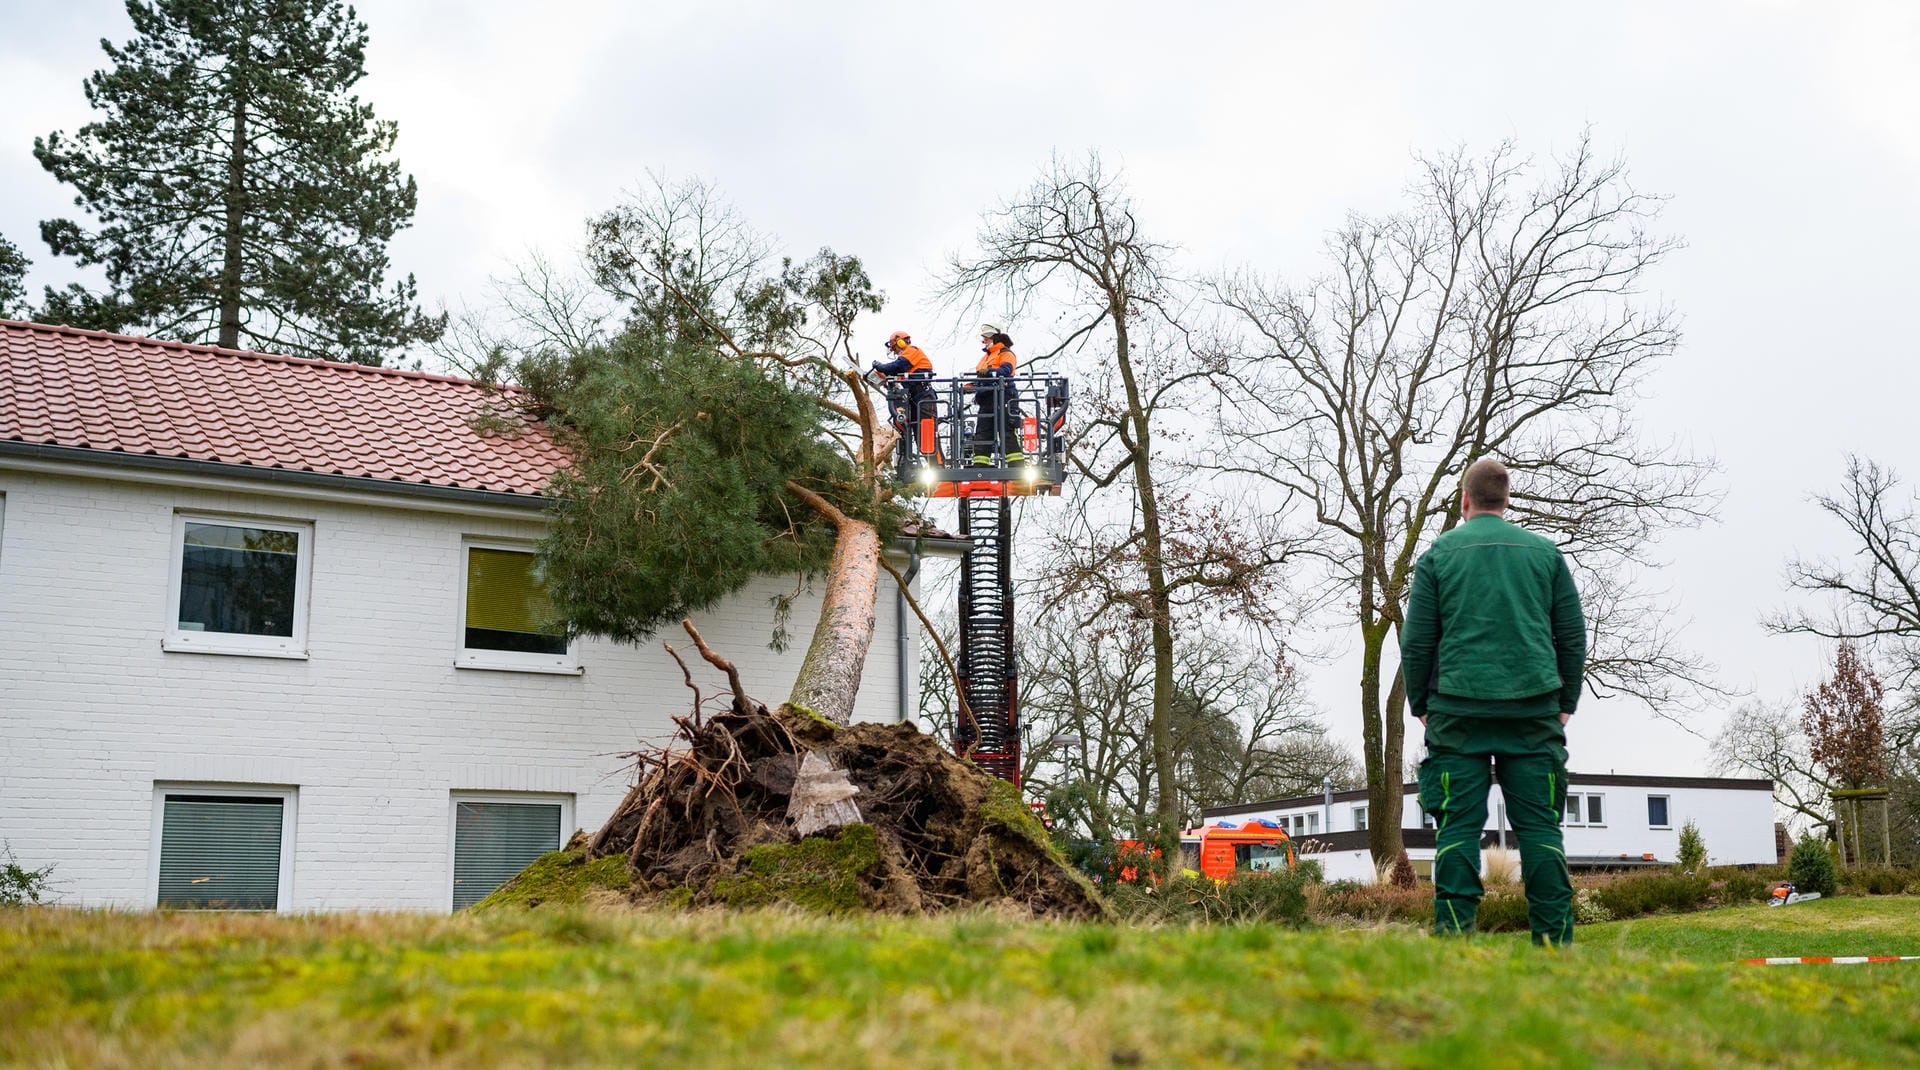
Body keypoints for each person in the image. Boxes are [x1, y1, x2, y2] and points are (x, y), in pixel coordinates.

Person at [1398, 458, 1586, 946]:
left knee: (1457, 829)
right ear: (1506, 502)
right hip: (1533, 713)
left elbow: (1417, 641)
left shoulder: (1439, 555)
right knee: (1541, 831)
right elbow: (1571, 635)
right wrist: (1564, 700)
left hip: (1457, 714)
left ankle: (1456, 943)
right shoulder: (1546, 555)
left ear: (1465, 501)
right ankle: (1554, 945)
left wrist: (1421, 702)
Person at [966, 323, 1024, 467]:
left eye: (986, 337)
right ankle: (980, 464)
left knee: (1006, 430)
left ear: (995, 337)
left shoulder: (1006, 353)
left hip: (1004, 396)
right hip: (986, 399)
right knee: (982, 432)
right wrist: (968, 387)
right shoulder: (985, 357)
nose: (983, 341)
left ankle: (1016, 465)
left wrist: (991, 371)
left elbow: (1006, 370)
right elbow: (981, 378)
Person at [870, 331, 937, 451]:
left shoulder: (912, 351)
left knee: (927, 436)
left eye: (894, 347)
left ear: (900, 342)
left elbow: (897, 366)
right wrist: (885, 379)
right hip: (915, 398)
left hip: (924, 397)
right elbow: (895, 373)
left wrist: (879, 366)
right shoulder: (906, 366)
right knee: (918, 436)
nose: (894, 351)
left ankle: (938, 466)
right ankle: (921, 464)